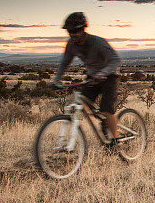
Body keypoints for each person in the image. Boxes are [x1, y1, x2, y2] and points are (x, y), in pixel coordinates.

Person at [52, 12, 121, 141]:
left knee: (107, 109)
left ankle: (116, 141)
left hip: (110, 76)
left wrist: (103, 73)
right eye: (70, 31)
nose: (72, 34)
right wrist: (56, 80)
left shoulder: (97, 42)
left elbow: (116, 60)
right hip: (92, 77)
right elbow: (64, 63)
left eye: (75, 31)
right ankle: (105, 123)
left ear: (83, 29)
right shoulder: (71, 45)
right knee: (84, 104)